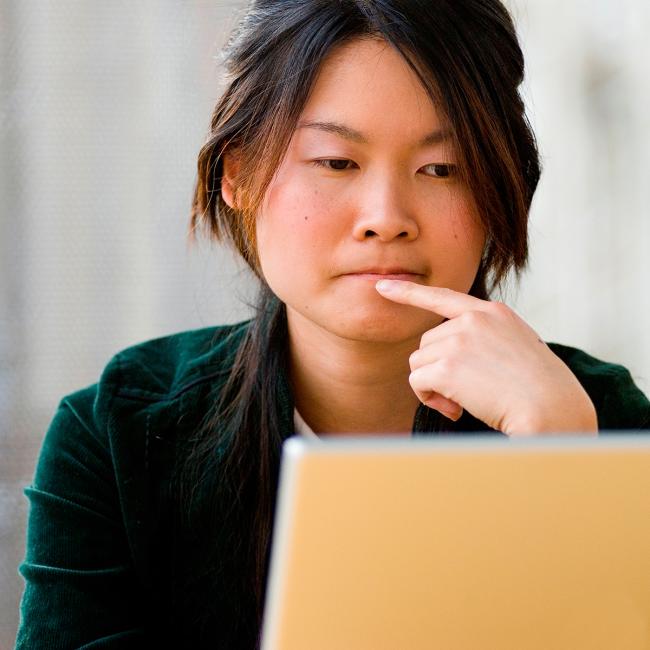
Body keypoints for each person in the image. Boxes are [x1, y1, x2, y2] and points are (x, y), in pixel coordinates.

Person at [15, 1, 650, 648]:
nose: (386, 217)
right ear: (237, 173)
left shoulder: (596, 418)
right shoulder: (119, 435)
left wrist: (567, 464)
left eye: (441, 169)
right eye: (336, 163)